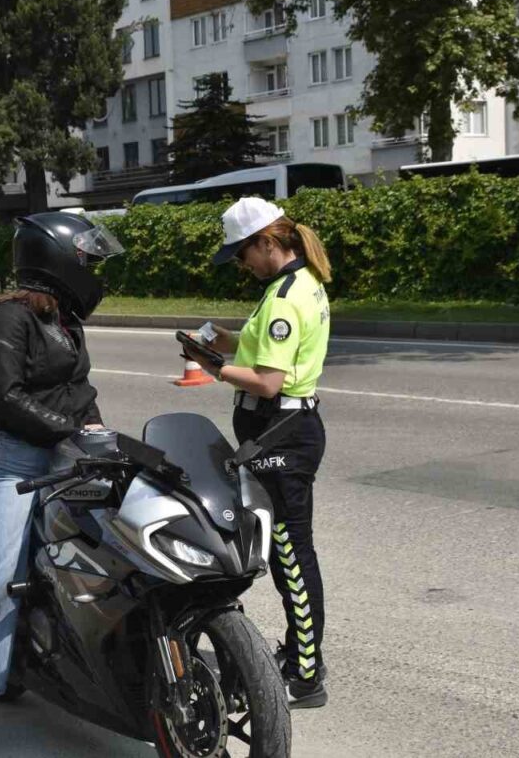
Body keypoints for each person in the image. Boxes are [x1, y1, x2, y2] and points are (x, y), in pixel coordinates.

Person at [0, 212, 123, 758]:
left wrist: (98, 434)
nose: (94, 271)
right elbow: (9, 399)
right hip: (18, 463)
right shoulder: (8, 319)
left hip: (71, 453)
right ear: (58, 260)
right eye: (88, 261)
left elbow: (79, 390)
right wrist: (71, 430)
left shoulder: (67, 320)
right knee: (0, 579)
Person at [182, 196, 333, 710]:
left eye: (242, 253)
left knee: (291, 556)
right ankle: (301, 656)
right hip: (288, 432)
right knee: (290, 551)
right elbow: (261, 343)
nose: (242, 265)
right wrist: (224, 341)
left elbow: (268, 381)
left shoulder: (285, 297)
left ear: (267, 242)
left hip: (281, 435)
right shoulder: (295, 283)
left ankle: (305, 676)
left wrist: (212, 366)